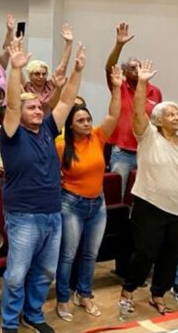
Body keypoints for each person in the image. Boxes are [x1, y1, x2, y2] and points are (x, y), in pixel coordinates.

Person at [0, 38, 85, 333]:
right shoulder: (11, 133)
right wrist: (15, 67)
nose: (38, 110)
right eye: (32, 107)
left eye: (39, 106)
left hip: (52, 212)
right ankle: (9, 323)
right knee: (16, 274)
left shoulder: (48, 128)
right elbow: (12, 104)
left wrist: (78, 71)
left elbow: (66, 101)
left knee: (45, 271)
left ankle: (33, 315)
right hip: (23, 214)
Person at [55, 66, 122, 322]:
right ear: (70, 125)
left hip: (98, 205)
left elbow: (114, 115)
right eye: (80, 120)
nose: (87, 123)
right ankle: (63, 298)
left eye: (88, 119)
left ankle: (84, 294)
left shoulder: (97, 137)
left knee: (90, 254)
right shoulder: (62, 145)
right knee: (68, 255)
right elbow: (51, 173)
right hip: (71, 204)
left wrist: (116, 88)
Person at [118, 60, 178, 317]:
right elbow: (136, 112)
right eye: (170, 114)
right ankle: (128, 291)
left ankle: (159, 293)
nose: (176, 117)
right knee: (145, 253)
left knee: (170, 254)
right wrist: (142, 82)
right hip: (150, 204)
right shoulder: (148, 136)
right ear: (157, 120)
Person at [105, 23, 163, 196]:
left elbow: (159, 122)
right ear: (123, 72)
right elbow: (109, 67)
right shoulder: (119, 86)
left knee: (145, 197)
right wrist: (119, 45)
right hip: (123, 153)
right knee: (119, 195)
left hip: (147, 152)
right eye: (132, 68)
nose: (137, 70)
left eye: (139, 67)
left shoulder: (155, 91)